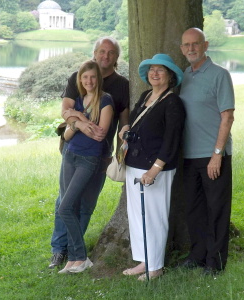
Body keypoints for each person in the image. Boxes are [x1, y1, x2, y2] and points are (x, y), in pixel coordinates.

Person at [49, 37, 130, 269]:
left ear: (116, 57)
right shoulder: (80, 76)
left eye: (111, 52)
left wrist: (118, 153)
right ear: (95, 53)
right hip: (72, 148)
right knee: (63, 202)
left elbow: (123, 122)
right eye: (102, 51)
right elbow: (66, 110)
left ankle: (76, 251)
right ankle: (59, 250)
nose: (106, 56)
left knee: (86, 204)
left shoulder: (121, 86)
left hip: (99, 153)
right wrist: (80, 124)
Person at [118, 54, 186, 281]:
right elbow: (137, 120)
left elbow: (172, 140)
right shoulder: (146, 95)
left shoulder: (172, 102)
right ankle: (144, 260)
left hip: (155, 169)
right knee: (137, 216)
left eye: (161, 70)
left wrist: (155, 170)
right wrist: (127, 126)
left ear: (170, 76)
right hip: (134, 165)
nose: (155, 74)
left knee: (154, 217)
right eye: (152, 70)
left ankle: (155, 266)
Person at [178, 28, 235, 275]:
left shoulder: (219, 75)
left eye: (196, 44)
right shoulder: (182, 77)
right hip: (188, 157)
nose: (191, 48)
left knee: (217, 209)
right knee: (194, 209)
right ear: (182, 49)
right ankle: (198, 254)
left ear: (205, 45)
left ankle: (216, 261)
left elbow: (228, 117)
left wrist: (217, 154)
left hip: (213, 156)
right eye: (187, 45)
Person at [57, 60, 114, 273]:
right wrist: (80, 121)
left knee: (66, 207)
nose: (88, 81)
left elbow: (99, 135)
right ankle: (74, 259)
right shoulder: (79, 101)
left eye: (92, 77)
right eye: (84, 77)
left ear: (97, 79)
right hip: (70, 155)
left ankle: (80, 257)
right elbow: (66, 134)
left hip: (88, 159)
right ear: (80, 79)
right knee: (67, 206)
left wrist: (75, 124)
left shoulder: (105, 101)